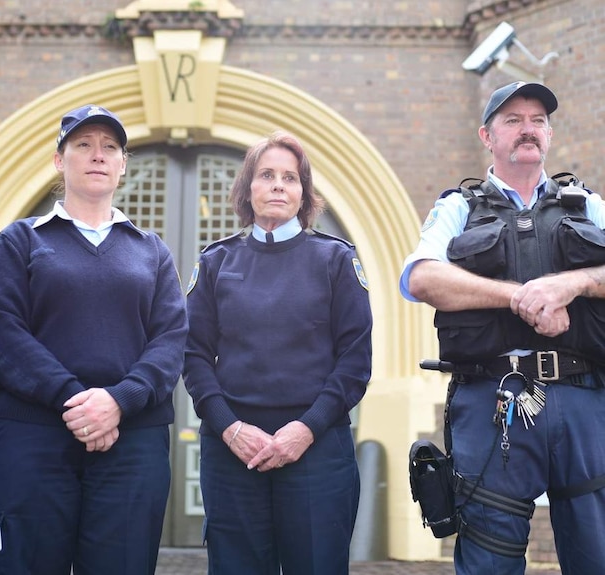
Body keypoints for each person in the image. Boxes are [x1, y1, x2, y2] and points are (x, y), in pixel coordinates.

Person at [400, 81, 605, 574]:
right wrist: (518, 296)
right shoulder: (459, 208)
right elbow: (421, 277)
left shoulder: (588, 205)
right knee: (489, 560)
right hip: (494, 403)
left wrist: (571, 284)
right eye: (512, 120)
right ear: (487, 136)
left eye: (537, 120)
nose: (527, 129)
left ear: (549, 135)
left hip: (584, 402)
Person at [0, 104, 188, 575]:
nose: (98, 155)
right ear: (59, 160)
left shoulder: (151, 251)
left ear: (123, 165)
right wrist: (79, 402)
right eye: (84, 145)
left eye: (110, 147)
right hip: (32, 437)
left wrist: (119, 401)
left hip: (131, 442)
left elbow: (171, 340)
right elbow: (5, 332)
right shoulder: (21, 241)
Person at [183, 131, 373, 574]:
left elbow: (355, 361)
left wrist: (304, 431)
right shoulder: (216, 263)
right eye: (266, 175)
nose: (278, 185)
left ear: (304, 193)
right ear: (247, 188)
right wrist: (230, 428)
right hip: (232, 452)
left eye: (290, 177)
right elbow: (192, 356)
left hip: (317, 450)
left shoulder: (336, 260)